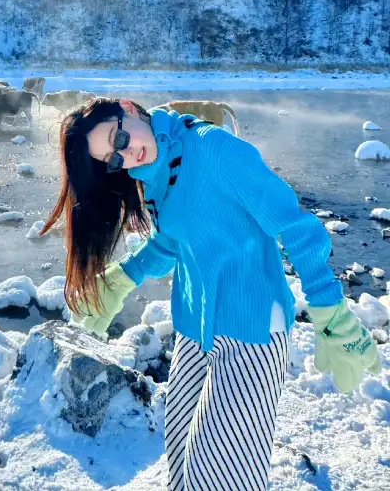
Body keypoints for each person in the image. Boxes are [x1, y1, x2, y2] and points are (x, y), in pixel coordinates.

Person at [40, 97, 381, 491]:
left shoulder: (215, 150)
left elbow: (296, 226)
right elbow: (175, 237)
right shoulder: (157, 170)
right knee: (183, 466)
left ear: (128, 108)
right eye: (113, 160)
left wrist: (330, 311)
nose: (126, 155)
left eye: (118, 138)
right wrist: (123, 277)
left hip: (249, 332)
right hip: (194, 332)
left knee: (220, 480)